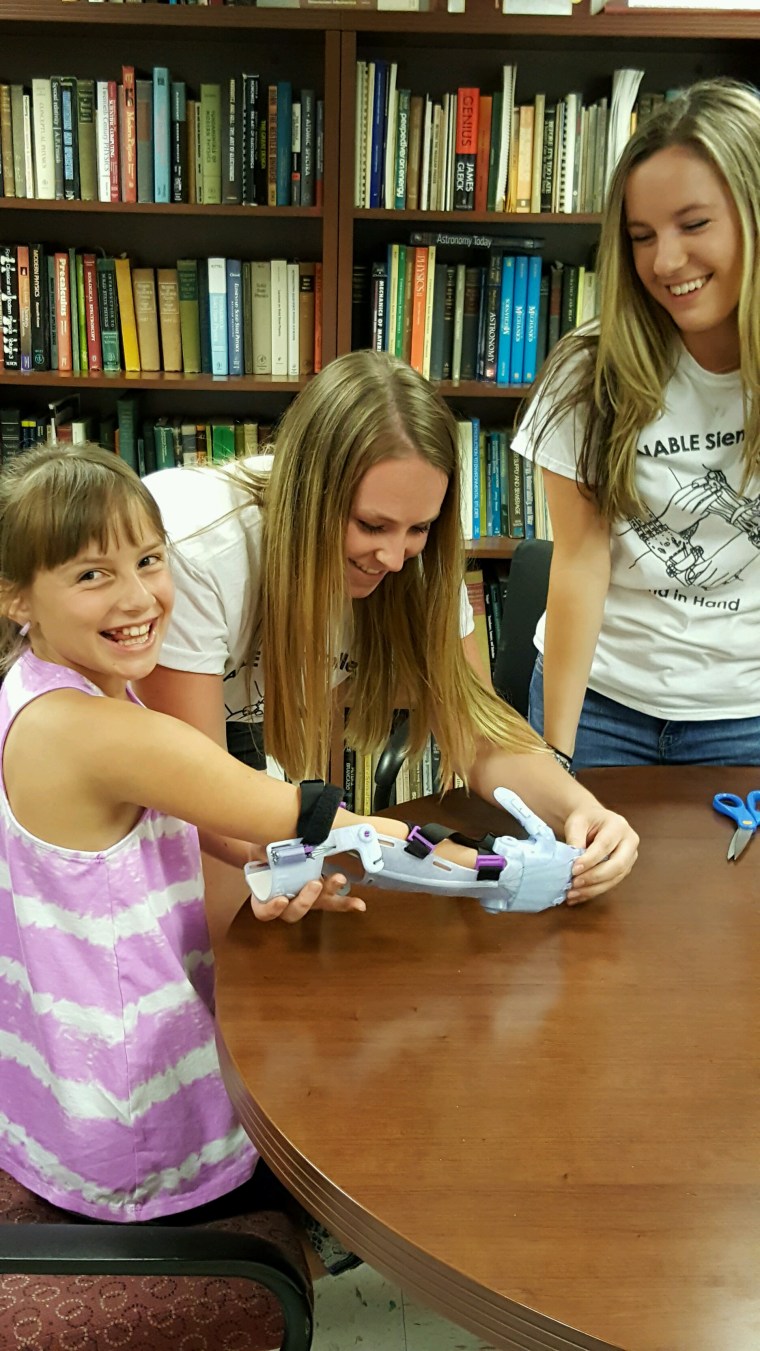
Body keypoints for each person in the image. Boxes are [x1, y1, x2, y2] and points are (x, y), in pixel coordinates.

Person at [0, 442, 479, 1250]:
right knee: (385, 1081)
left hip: (64, 1097)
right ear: (17, 597)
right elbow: (296, 812)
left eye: (148, 560)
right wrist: (474, 864)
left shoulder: (39, 690)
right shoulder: (95, 729)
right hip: (143, 1126)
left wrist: (280, 860)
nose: (138, 597)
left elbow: (201, 824)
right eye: (91, 575)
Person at [138, 348, 638, 903]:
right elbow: (196, 796)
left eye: (418, 528)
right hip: (152, 771)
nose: (395, 558)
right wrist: (409, 850)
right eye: (372, 525)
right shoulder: (197, 549)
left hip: (234, 741)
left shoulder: (418, 564)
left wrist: (582, 811)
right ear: (310, 494)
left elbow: (476, 730)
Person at [513, 78, 760, 771]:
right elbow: (581, 561)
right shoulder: (589, 370)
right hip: (600, 706)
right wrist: (556, 754)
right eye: (642, 236)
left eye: (694, 224)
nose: (666, 262)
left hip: (745, 716)